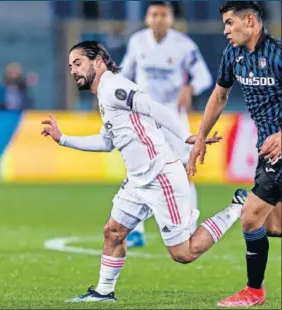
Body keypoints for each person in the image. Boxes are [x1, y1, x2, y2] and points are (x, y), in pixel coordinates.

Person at [41, 40, 248, 303]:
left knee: (183, 253)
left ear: (98, 61)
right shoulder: (104, 94)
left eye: (78, 63)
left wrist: (188, 136)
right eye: (71, 65)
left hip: (160, 176)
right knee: (113, 231)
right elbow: (106, 142)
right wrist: (63, 139)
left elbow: (154, 106)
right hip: (138, 180)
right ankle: (104, 293)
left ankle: (236, 208)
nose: (73, 70)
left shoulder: (114, 86)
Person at [186, 1, 281, 307]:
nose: (225, 31)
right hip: (268, 149)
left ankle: (254, 291)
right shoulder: (233, 55)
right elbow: (219, 94)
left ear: (250, 20)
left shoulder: (278, 54)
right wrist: (200, 137)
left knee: (251, 218)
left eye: (229, 23)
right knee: (274, 225)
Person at [120, 1, 213, 248]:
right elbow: (125, 73)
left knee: (184, 171)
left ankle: (189, 228)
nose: (159, 19)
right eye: (154, 14)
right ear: (147, 18)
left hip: (172, 115)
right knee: (138, 171)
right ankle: (135, 230)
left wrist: (190, 87)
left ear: (170, 19)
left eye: (163, 14)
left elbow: (204, 77)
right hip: (144, 115)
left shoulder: (184, 45)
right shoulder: (137, 42)